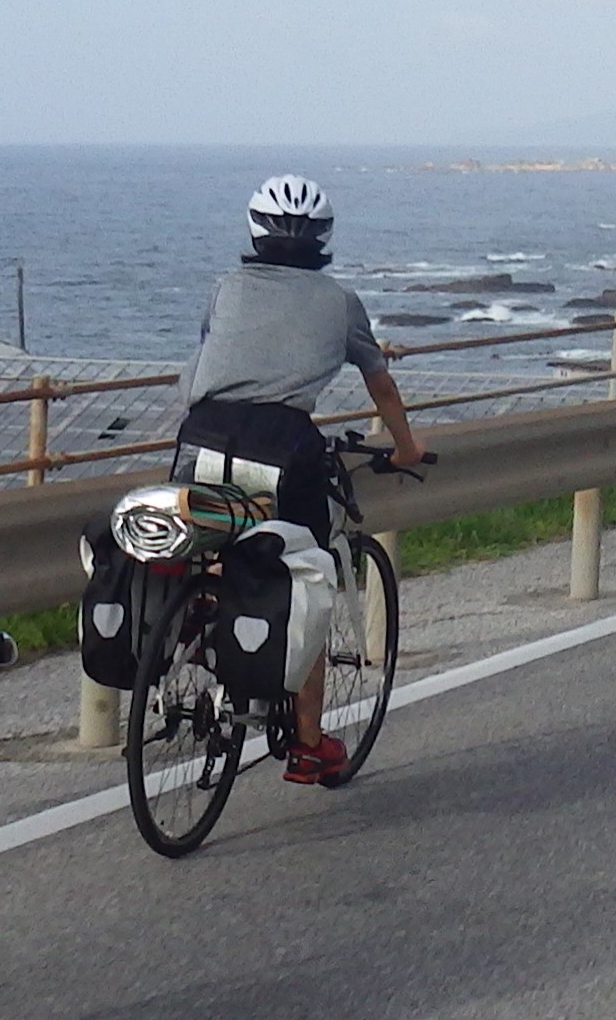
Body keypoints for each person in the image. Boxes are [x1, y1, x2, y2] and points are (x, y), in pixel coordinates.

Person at [176, 173, 429, 785]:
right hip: (279, 449)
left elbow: (201, 368)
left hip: (200, 439)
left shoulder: (224, 289)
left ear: (255, 230)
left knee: (210, 556)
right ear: (323, 237)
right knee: (305, 581)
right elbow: (381, 382)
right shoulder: (340, 302)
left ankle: (197, 634)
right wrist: (407, 447)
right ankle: (311, 745)